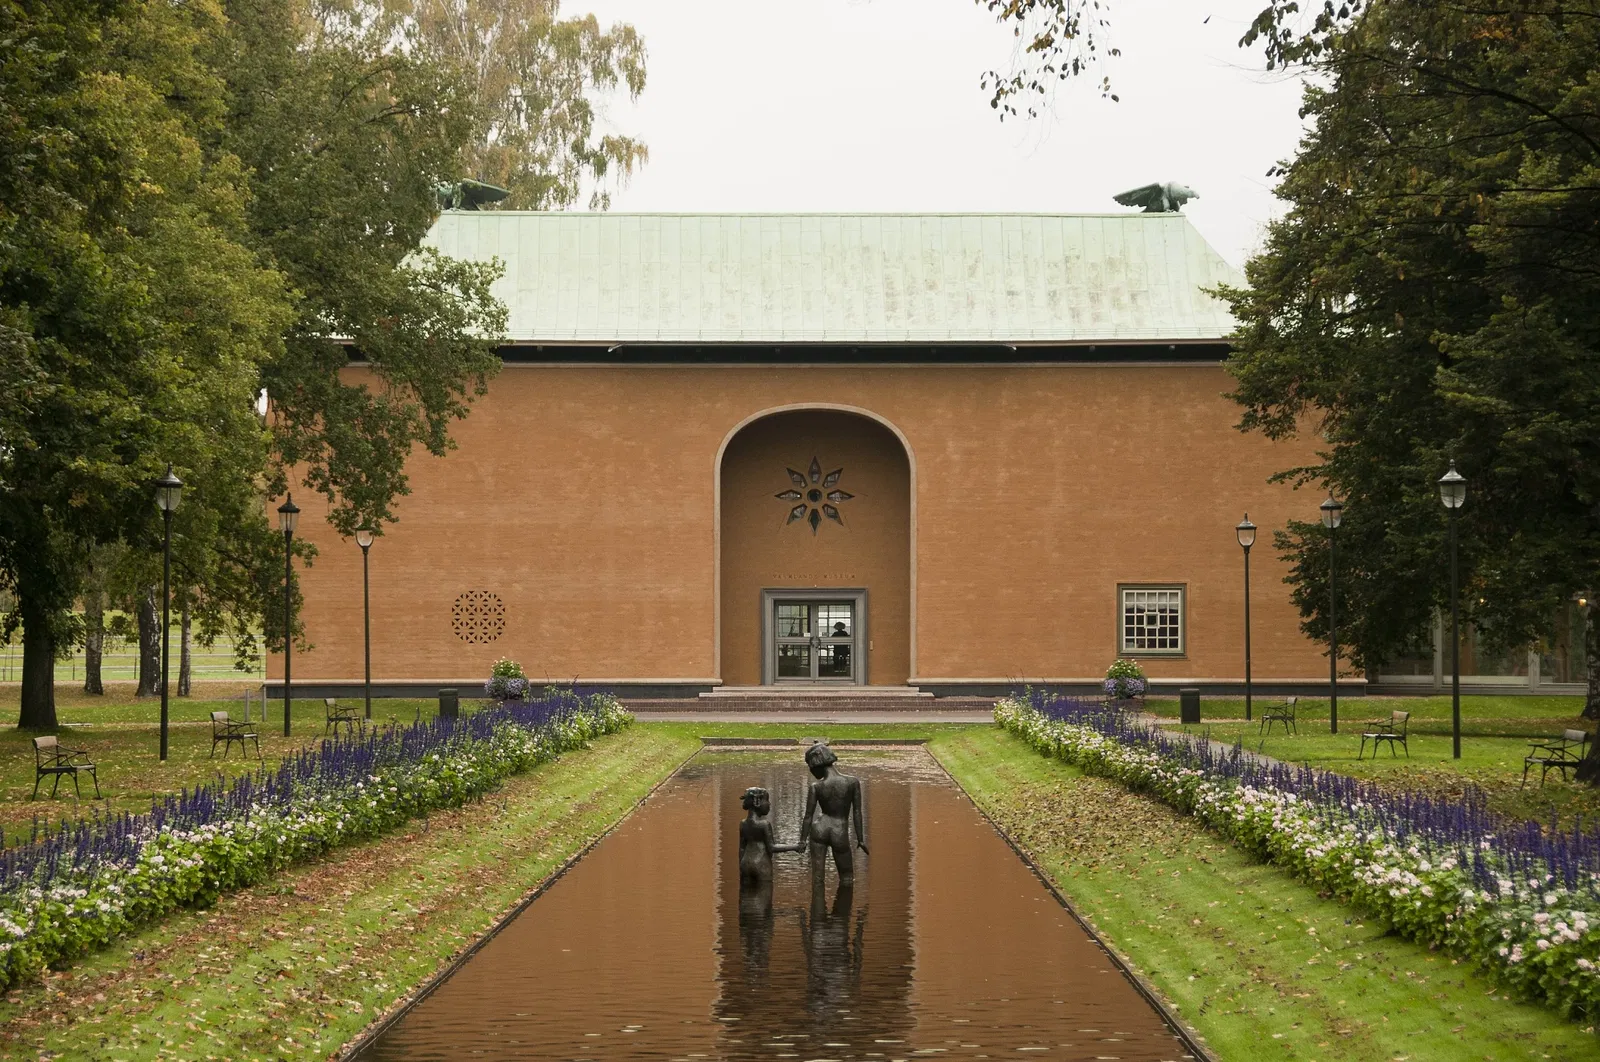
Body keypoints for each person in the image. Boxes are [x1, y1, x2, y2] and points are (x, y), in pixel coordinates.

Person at [799, 743, 868, 883]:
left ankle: (817, 898)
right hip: (839, 830)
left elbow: (808, 816)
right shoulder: (852, 782)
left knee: (817, 878)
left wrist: (802, 840)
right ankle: (844, 897)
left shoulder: (816, 786)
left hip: (819, 829)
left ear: (815, 765)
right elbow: (857, 812)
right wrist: (860, 839)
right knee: (847, 878)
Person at [738, 786, 799, 884]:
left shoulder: (743, 824)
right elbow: (772, 847)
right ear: (757, 802)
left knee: (745, 892)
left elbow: (742, 848)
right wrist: (795, 847)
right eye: (767, 800)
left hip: (745, 863)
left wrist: (741, 866)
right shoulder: (764, 824)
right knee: (765, 890)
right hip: (761, 863)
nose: (769, 804)